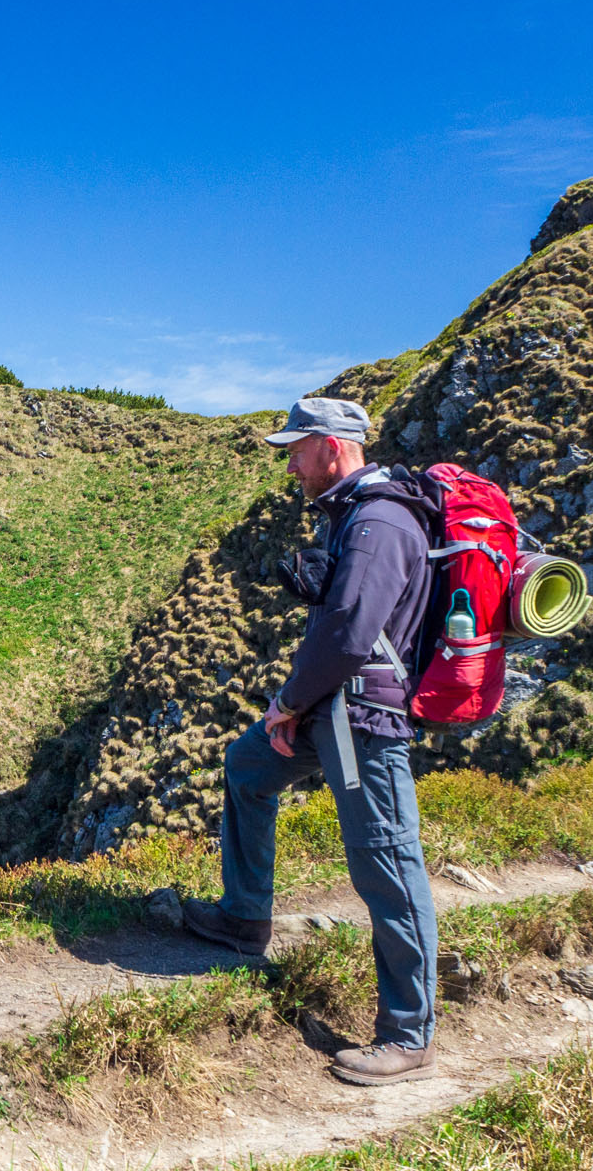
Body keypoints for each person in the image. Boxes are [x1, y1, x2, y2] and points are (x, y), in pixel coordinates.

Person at [181, 396, 442, 1087]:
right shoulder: (355, 515)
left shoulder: (379, 521)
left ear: (331, 447)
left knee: (385, 861)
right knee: (246, 768)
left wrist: (290, 701)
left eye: (296, 450)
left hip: (362, 721)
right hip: (329, 710)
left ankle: (409, 1033)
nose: (290, 465)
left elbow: (350, 634)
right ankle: (243, 920)